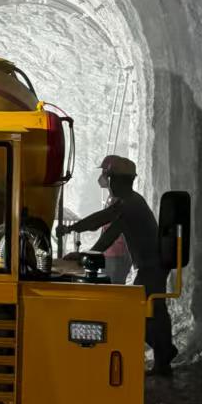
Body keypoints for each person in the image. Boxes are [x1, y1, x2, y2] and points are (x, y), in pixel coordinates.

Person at [62, 154, 174, 376]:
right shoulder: (129, 203)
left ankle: (165, 353)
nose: (107, 182)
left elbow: (103, 225)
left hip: (151, 267)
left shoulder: (129, 204)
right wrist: (80, 245)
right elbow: (108, 229)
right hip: (152, 266)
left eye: (109, 177)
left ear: (118, 180)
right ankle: (164, 358)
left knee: (141, 312)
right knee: (154, 312)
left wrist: (73, 232)